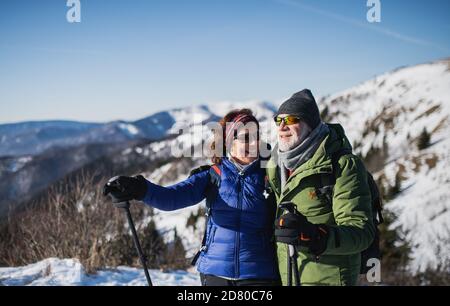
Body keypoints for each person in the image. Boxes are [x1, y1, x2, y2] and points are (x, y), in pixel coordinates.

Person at [104, 109, 280, 286]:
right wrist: (138, 188)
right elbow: (171, 198)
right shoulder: (213, 175)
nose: (254, 143)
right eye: (246, 138)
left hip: (259, 274)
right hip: (215, 274)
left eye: (257, 136)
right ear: (229, 142)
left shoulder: (271, 175)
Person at [267, 89, 375, 286]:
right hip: (288, 277)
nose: (282, 126)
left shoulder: (341, 165)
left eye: (291, 120)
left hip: (328, 279)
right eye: (278, 120)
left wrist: (317, 236)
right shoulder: (276, 165)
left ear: (311, 124)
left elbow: (362, 232)